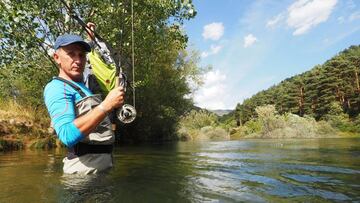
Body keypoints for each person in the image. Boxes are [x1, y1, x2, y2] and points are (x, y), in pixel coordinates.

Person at [44, 34, 125, 174]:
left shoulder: (82, 86)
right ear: (57, 58)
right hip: (82, 176)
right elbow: (67, 135)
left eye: (81, 55)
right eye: (71, 54)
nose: (78, 60)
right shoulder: (56, 88)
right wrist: (106, 105)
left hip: (99, 170)